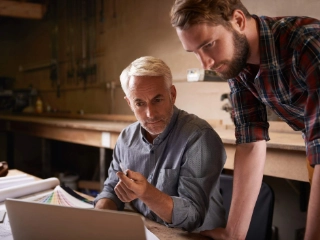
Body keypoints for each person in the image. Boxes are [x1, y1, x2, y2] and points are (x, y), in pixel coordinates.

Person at [170, 0, 320, 239]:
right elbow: (250, 142)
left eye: (209, 44)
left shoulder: (307, 44)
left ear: (238, 20)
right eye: (195, 52)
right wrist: (233, 234)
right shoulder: (238, 68)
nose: (206, 63)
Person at [94, 56, 227, 232]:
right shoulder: (126, 138)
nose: (150, 114)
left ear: (172, 94)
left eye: (157, 100)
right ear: (129, 103)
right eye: (139, 103)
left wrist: (146, 192)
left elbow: (193, 217)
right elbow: (112, 189)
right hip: (150, 231)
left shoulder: (199, 137)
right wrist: (99, 216)